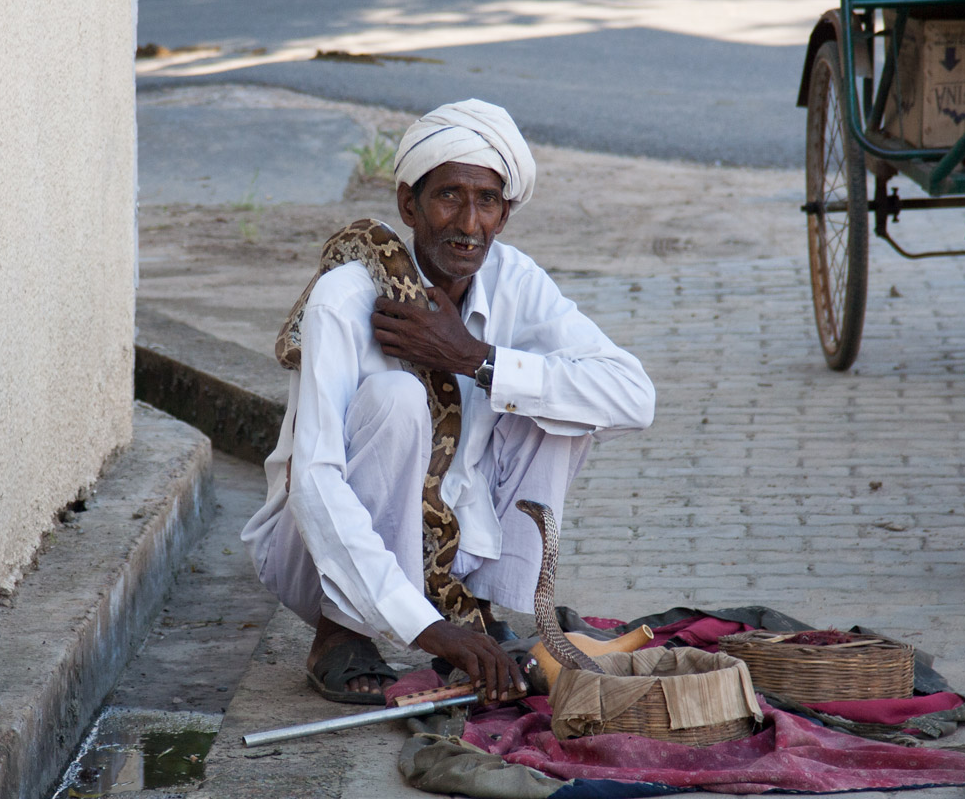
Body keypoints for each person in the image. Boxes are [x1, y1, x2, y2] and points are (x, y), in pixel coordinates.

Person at [241, 99, 656, 705]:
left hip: (450, 544)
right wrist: (425, 631)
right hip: (313, 552)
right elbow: (315, 483)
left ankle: (476, 612)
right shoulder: (342, 300)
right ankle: (342, 633)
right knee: (395, 395)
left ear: (505, 214)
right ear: (409, 204)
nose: (468, 223)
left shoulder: (515, 282)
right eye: (448, 197)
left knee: (558, 398)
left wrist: (478, 360)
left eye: (486, 201)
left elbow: (634, 396)